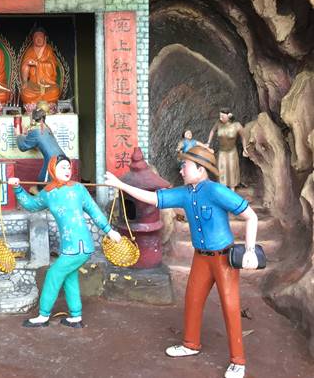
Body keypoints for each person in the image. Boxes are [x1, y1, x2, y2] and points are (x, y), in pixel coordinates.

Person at [104, 145, 259, 378]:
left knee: (230, 305)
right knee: (193, 299)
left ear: (201, 169)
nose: (181, 170)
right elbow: (155, 198)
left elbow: (250, 216)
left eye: (185, 166)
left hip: (223, 258)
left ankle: (238, 360)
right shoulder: (186, 193)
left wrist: (250, 250)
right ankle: (190, 344)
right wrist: (121, 185)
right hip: (201, 258)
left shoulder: (216, 191)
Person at [9, 155, 121, 328]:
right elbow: (31, 205)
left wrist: (109, 230)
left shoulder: (78, 189)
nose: (67, 171)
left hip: (80, 245)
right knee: (70, 276)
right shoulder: (48, 192)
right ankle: (75, 316)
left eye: (69, 167)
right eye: (63, 167)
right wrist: (17, 188)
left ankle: (43, 315)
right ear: (52, 169)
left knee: (54, 275)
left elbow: (94, 210)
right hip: (68, 247)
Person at [16, 108, 64, 192]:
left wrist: (18, 135)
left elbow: (23, 146)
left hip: (52, 161)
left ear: (33, 119)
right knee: (45, 180)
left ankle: (43, 199)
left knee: (43, 184)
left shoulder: (36, 131)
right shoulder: (47, 129)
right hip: (62, 158)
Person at [20, 28, 60, 111]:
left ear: (45, 38)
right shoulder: (30, 51)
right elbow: (24, 67)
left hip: (48, 84)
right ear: (32, 39)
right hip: (33, 84)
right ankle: (32, 108)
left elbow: (52, 65)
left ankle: (48, 107)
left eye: (40, 37)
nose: (38, 39)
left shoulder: (48, 50)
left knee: (55, 91)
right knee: (25, 93)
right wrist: (25, 81)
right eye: (36, 37)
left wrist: (38, 64)